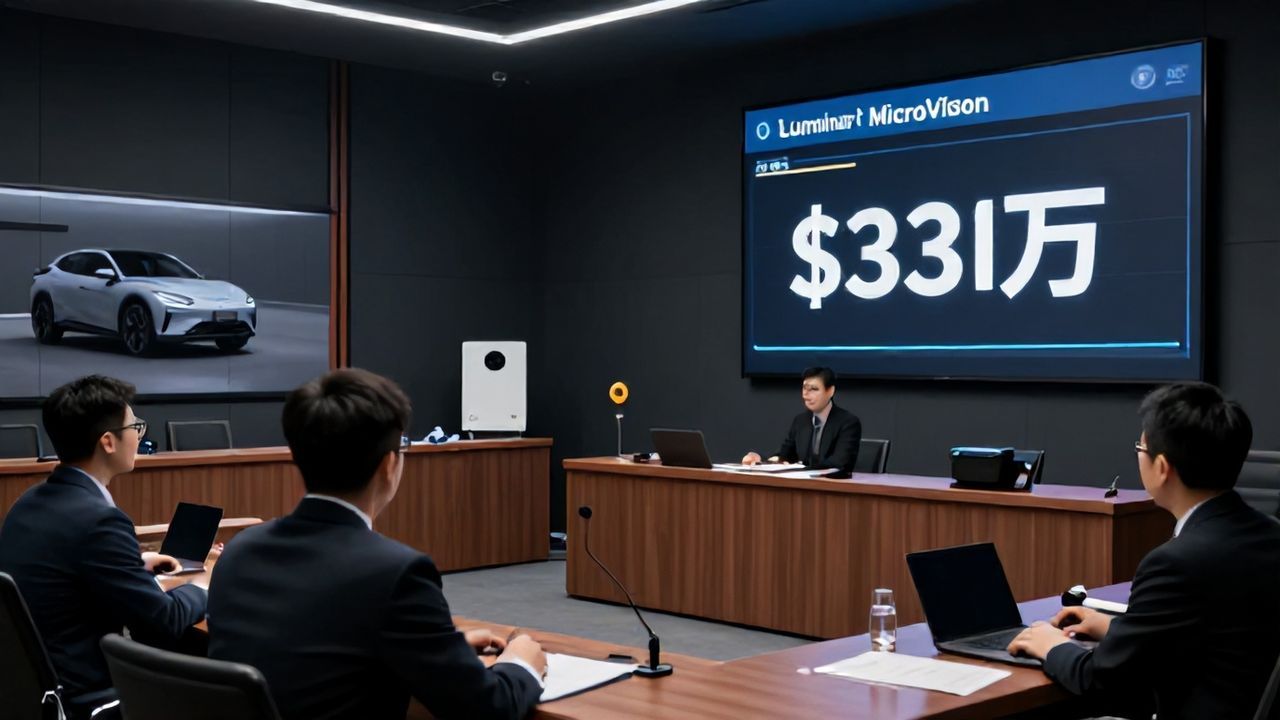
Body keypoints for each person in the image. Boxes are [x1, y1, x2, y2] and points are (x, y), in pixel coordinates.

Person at [207, 368, 545, 720]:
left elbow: (311, 641)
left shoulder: (241, 550)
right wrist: (521, 662)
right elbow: (489, 709)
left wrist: (443, 647)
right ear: (389, 464)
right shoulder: (396, 573)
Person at [1008, 382, 1280, 720]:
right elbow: (1220, 631)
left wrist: (1051, 645)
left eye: (1141, 447)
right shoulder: (1270, 534)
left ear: (1162, 468)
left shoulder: (1175, 563)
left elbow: (1101, 680)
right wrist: (1117, 629)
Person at [0, 375, 207, 717]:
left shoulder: (27, 504)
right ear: (108, 442)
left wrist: (134, 564)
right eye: (135, 427)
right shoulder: (100, 521)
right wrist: (203, 587)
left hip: (32, 695)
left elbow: (68, 571)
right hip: (88, 700)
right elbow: (163, 622)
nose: (140, 437)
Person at [742, 366, 861, 474]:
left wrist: (802, 467)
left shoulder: (848, 423)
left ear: (830, 391)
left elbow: (839, 463)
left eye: (814, 389)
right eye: (804, 388)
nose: (805, 394)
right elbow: (784, 456)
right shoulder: (800, 421)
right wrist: (760, 460)